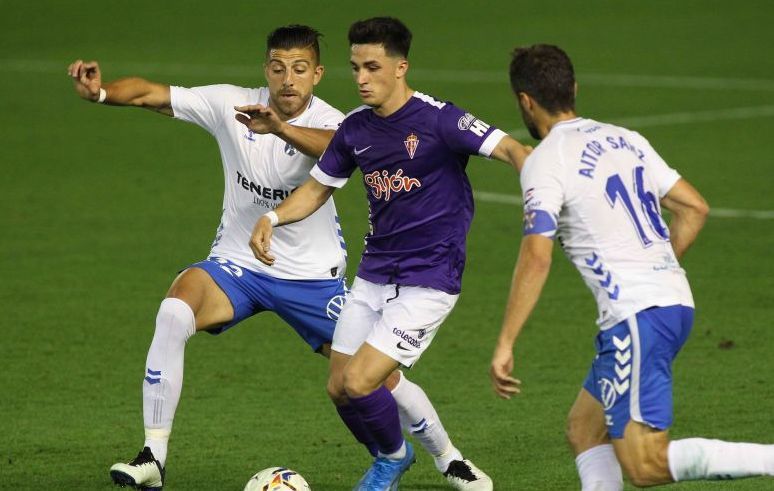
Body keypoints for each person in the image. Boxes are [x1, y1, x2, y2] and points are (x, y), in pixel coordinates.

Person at [68, 25, 491, 491]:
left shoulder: (346, 123)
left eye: (299, 69)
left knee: (371, 378)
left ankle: (450, 459)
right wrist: (102, 92)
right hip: (239, 265)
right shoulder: (234, 105)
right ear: (265, 70)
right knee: (174, 310)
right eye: (277, 68)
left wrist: (281, 128)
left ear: (317, 74)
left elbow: (336, 148)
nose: (287, 79)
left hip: (313, 278)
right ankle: (153, 455)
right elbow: (154, 94)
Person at [250, 17, 530, 490]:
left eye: (372, 67)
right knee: (339, 386)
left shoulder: (440, 118)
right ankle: (432, 459)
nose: (361, 78)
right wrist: (272, 219)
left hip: (430, 277)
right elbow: (317, 189)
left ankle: (392, 461)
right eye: (355, 67)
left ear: (401, 68)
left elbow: (511, 150)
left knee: (361, 380)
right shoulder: (355, 129)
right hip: (375, 274)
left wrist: (538, 193)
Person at [490, 43, 774, 490]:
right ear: (573, 88)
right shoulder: (626, 138)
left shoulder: (546, 160)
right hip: (671, 304)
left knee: (645, 465)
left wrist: (505, 341)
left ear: (525, 101)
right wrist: (657, 267)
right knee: (585, 429)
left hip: (637, 316)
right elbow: (694, 208)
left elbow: (536, 255)